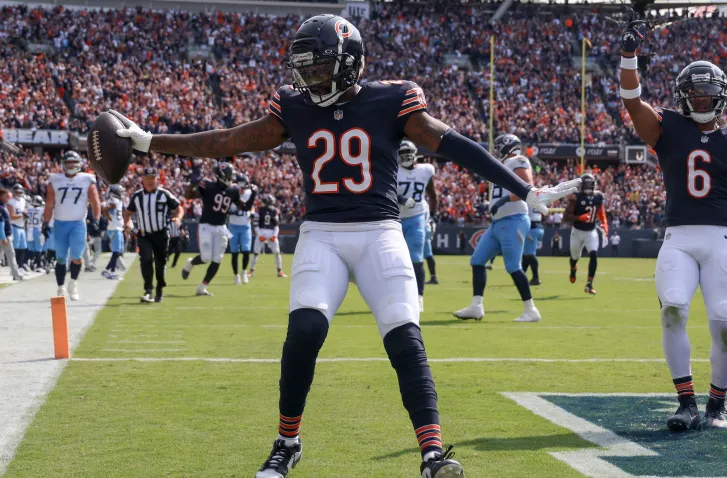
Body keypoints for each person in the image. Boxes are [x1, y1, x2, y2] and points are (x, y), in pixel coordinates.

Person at [112, 14, 575, 478]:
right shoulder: (292, 105)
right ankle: (287, 442)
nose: (308, 79)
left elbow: (453, 144)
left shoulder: (394, 99)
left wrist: (525, 190)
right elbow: (229, 141)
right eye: (304, 69)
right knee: (306, 331)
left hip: (380, 232)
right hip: (323, 235)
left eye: (318, 68)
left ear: (349, 63)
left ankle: (433, 454)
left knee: (404, 335)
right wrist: (152, 142)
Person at [619, 9, 727, 431]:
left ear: (720, 96)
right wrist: (630, 52)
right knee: (673, 310)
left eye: (707, 95)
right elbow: (632, 99)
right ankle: (686, 402)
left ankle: (717, 404)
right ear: (684, 95)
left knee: (723, 323)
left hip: (721, 238)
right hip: (679, 239)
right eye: (695, 94)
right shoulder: (668, 126)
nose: (701, 101)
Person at [454, 133, 558, 323]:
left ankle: (531, 310)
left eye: (498, 146)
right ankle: (476, 306)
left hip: (514, 219)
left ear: (508, 146)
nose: (495, 150)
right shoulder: (501, 166)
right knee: (477, 261)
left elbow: (527, 188)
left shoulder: (518, 160)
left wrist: (502, 201)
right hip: (497, 222)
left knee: (513, 267)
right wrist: (490, 204)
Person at [181, 162, 253, 296]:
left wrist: (253, 194)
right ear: (222, 176)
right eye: (230, 175)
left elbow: (244, 207)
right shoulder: (209, 185)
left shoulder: (233, 190)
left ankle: (202, 287)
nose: (232, 178)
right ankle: (190, 263)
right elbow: (188, 196)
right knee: (206, 257)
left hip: (221, 227)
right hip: (206, 226)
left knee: (217, 258)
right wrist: (192, 183)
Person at [43, 151, 101, 301]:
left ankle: (73, 283)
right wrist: (45, 222)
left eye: (74, 162)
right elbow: (49, 204)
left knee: (77, 256)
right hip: (59, 223)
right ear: (63, 164)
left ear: (79, 164)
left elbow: (95, 202)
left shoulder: (87, 179)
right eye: (68, 162)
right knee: (61, 258)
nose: (71, 165)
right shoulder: (55, 179)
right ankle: (61, 287)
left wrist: (95, 220)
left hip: (78, 223)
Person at [125, 167, 184, 303]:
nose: (150, 181)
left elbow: (179, 208)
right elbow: (128, 212)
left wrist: (179, 218)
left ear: (157, 179)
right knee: (145, 259)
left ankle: (159, 289)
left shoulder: (165, 194)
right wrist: (127, 223)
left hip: (161, 234)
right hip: (144, 234)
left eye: (153, 178)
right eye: (148, 178)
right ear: (143, 180)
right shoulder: (137, 196)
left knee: (160, 263)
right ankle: (148, 290)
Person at [397, 140, 436, 311]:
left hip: (417, 217)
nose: (405, 156)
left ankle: (419, 297)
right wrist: (403, 200)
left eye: (408, 152)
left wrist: (433, 216)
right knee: (395, 260)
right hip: (395, 218)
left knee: (416, 258)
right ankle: (398, 295)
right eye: (402, 153)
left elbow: (432, 195)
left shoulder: (425, 170)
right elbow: (386, 193)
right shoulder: (393, 170)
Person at [565, 173, 608, 294]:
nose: (589, 187)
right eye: (587, 184)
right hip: (577, 231)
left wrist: (604, 223)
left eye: (590, 184)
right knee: (574, 257)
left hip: (591, 231)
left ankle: (589, 284)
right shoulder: (575, 197)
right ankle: (573, 268)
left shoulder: (598, 196)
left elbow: (601, 212)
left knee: (594, 254)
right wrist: (579, 217)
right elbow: (566, 217)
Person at [229, 173, 257, 284]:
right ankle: (236, 275)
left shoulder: (249, 193)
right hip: (233, 225)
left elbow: (252, 206)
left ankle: (244, 272)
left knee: (246, 251)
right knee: (234, 253)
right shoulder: (231, 192)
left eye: (243, 185)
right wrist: (229, 212)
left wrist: (253, 212)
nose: (241, 187)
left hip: (245, 226)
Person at [249, 194, 286, 278]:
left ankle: (280, 271)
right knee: (256, 253)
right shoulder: (262, 211)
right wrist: (261, 235)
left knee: (277, 253)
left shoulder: (270, 211)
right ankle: (251, 271)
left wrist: (274, 235)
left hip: (268, 232)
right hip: (264, 231)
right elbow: (256, 225)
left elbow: (276, 225)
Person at [102, 185, 126, 280]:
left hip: (117, 228)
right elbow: (105, 209)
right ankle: (109, 271)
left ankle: (109, 271)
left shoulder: (117, 200)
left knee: (118, 252)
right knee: (116, 252)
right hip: (114, 228)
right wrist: (109, 218)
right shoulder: (114, 200)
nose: (122, 192)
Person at [0, 188, 21, 280]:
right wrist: (3, 237)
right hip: (4, 236)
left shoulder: (4, 206)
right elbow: (0, 223)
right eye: (6, 196)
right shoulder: (1, 207)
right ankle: (15, 274)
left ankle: (15, 274)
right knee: (11, 255)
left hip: (5, 235)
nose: (9, 198)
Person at [7, 183, 28, 272]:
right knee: (15, 248)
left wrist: (25, 215)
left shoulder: (23, 200)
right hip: (14, 226)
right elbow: (11, 216)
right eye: (17, 191)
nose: (18, 193)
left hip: (21, 226)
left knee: (23, 247)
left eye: (20, 191)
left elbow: (24, 211)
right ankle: (15, 267)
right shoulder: (11, 201)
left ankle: (21, 265)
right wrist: (22, 215)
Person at [522, 209, 544, 285]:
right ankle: (520, 277)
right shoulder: (538, 198)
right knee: (525, 254)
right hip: (539, 227)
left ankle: (536, 278)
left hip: (532, 228)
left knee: (529, 255)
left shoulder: (527, 199)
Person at [25, 195, 46, 272]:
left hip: (29, 229)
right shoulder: (42, 210)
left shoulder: (28, 209)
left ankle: (25, 263)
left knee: (30, 248)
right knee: (39, 248)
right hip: (37, 229)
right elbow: (44, 219)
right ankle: (38, 265)